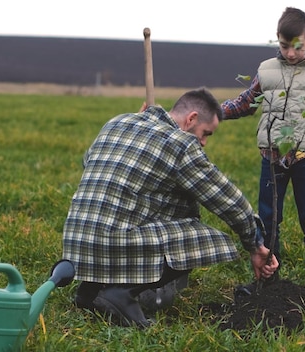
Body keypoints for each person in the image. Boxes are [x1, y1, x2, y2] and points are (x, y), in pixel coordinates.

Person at [62, 87, 279, 327]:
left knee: (151, 210)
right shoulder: (181, 144)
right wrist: (254, 243)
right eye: (206, 133)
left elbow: (88, 161)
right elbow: (227, 200)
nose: (204, 142)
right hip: (111, 240)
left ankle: (89, 291)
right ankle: (121, 294)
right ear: (191, 118)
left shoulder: (119, 121)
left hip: (76, 242)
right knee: (208, 238)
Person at [221, 7, 305, 292]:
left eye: (297, 46)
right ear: (277, 40)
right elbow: (245, 103)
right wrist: (212, 113)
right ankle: (268, 276)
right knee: (268, 218)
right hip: (272, 157)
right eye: (283, 46)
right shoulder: (266, 70)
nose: (290, 54)